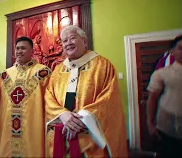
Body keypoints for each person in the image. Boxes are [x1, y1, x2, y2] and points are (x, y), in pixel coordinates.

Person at [45, 25, 128, 157]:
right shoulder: (58, 70)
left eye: (72, 38)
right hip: (61, 132)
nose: (68, 43)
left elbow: (109, 98)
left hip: (90, 135)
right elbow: (49, 96)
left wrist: (81, 119)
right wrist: (62, 114)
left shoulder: (103, 65)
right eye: (64, 41)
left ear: (84, 41)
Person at [0, 36, 52, 157]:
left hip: (33, 125)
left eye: (23, 48)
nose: (19, 51)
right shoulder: (5, 74)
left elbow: (50, 101)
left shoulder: (44, 72)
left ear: (32, 51)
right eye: (17, 48)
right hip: (7, 128)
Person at [146, 35, 182, 158]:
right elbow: (152, 99)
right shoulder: (161, 74)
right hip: (167, 131)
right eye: (181, 48)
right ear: (173, 51)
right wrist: (150, 124)